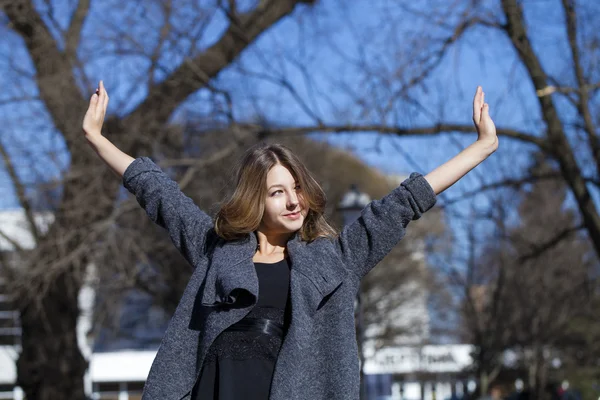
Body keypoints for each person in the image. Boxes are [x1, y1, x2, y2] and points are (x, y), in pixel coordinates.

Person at [83, 81, 498, 400]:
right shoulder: (217, 251)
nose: (293, 199)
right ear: (255, 200)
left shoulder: (336, 258)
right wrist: (99, 140)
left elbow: (403, 204)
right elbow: (161, 196)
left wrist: (481, 147)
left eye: (296, 187)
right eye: (278, 191)